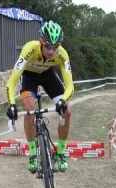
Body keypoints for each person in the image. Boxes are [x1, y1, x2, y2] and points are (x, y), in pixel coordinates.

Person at [5, 20, 74, 173]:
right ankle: (33, 154)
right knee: (29, 110)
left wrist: (63, 101)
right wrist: (11, 104)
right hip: (29, 77)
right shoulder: (29, 49)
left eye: (56, 47)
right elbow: (11, 82)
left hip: (48, 76)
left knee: (67, 111)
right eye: (48, 46)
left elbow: (70, 86)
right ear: (41, 42)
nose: (52, 51)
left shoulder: (62, 55)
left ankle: (61, 153)